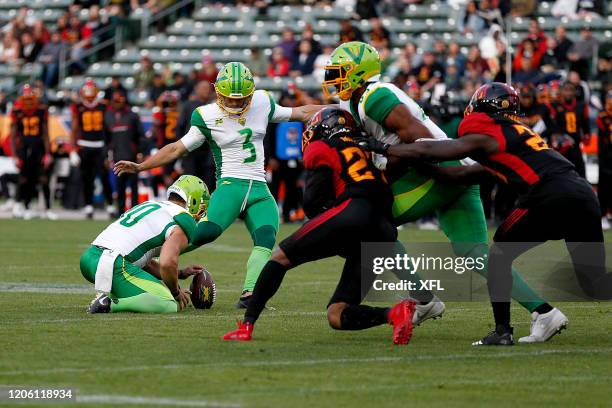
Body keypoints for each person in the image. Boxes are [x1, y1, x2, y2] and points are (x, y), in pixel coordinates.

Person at [322, 42, 564, 338]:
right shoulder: (364, 100)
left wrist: (387, 166)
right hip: (455, 170)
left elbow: (423, 143)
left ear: (359, 72)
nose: (334, 79)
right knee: (474, 253)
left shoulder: (374, 97)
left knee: (373, 224)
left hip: (439, 171)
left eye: (339, 72)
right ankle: (544, 312)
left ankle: (424, 300)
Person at [359, 82, 612, 345]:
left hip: (549, 195)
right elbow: (463, 173)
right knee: (593, 282)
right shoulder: (516, 135)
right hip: (582, 195)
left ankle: (503, 331)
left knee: (498, 256)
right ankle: (536, 319)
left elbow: (434, 148)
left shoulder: (487, 129)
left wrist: (384, 148)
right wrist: (424, 169)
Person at [114, 62, 325, 307]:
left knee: (266, 238)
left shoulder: (262, 102)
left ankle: (249, 295)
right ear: (218, 92)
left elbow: (301, 112)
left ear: (251, 93)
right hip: (230, 186)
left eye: (240, 99)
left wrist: (344, 108)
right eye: (229, 99)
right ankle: (142, 255)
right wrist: (142, 166)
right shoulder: (206, 115)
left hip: (259, 188)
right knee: (204, 233)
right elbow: (176, 148)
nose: (235, 104)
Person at [223, 108, 415, 344]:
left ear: (322, 128)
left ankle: (247, 325)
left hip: (352, 213)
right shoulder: (367, 152)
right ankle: (394, 313)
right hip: (384, 230)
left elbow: (312, 203)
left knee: (279, 259)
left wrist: (336, 234)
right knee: (337, 313)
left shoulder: (322, 147)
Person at [81, 175, 210, 314]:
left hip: (89, 258)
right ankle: (108, 304)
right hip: (113, 264)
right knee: (168, 303)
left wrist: (180, 273)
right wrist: (175, 292)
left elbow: (144, 262)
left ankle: (115, 296)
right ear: (194, 201)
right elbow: (167, 263)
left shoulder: (153, 205)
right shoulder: (184, 219)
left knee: (154, 289)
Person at [70, 79, 114, 219]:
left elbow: (108, 128)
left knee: (104, 177)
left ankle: (110, 205)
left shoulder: (103, 106)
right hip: (84, 145)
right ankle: (88, 206)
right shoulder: (77, 107)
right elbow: (75, 128)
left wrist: (110, 147)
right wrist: (72, 149)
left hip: (100, 145)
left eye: (91, 90)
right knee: (86, 178)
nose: (89, 93)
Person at [10, 84, 55, 220]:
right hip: (24, 148)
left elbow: (45, 133)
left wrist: (48, 153)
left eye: (31, 99)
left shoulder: (41, 110)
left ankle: (47, 209)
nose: (29, 102)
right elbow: (13, 135)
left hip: (39, 147)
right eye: (26, 99)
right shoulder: (17, 111)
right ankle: (27, 206)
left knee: (44, 179)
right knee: (26, 179)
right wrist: (15, 155)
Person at [104, 90, 145, 216]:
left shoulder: (132, 115)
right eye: (116, 101)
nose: (118, 104)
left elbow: (140, 135)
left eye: (120, 100)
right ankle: (121, 213)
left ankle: (134, 212)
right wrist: (106, 155)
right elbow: (106, 139)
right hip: (117, 158)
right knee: (119, 187)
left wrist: (140, 152)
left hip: (131, 157)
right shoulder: (108, 116)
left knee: (133, 187)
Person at [549, 82, 590, 177]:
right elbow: (552, 127)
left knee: (581, 175)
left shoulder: (581, 106)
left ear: (575, 92)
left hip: (576, 146)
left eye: (571, 90)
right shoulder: (555, 106)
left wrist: (587, 135)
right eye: (566, 90)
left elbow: (585, 124)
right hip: (561, 147)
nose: (568, 93)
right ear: (561, 91)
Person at [597, 92, 612, 230]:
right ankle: (602, 215)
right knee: (605, 186)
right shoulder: (603, 116)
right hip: (607, 155)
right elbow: (602, 142)